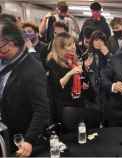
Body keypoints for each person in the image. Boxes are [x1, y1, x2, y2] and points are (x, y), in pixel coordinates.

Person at [0, 21, 50, 156]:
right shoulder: (4, 60)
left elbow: (42, 109)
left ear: (11, 43)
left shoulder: (32, 69)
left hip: (19, 135)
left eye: (0, 47)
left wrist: (29, 140)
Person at [46, 32, 83, 125]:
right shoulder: (52, 62)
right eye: (69, 45)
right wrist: (71, 73)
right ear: (61, 48)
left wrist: (83, 84)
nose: (74, 46)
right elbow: (57, 87)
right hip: (62, 107)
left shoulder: (73, 60)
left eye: (74, 43)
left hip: (75, 103)